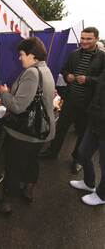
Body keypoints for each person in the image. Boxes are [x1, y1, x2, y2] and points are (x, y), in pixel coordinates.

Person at [0, 37, 55, 214]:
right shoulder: (45, 69)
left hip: (27, 131)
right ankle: (28, 190)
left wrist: (4, 94)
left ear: (32, 55)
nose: (19, 58)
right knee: (31, 162)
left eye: (21, 54)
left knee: (13, 165)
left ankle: (6, 203)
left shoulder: (31, 73)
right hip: (41, 131)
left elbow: (18, 107)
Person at [40, 27, 105, 174]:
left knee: (82, 133)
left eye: (88, 38)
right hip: (70, 100)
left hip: (88, 104)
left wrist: (88, 79)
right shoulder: (74, 54)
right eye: (82, 38)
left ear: (96, 39)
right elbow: (64, 69)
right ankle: (52, 152)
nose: (84, 41)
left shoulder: (102, 57)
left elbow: (103, 80)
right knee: (60, 128)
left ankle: (77, 159)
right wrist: (67, 75)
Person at [69, 69, 105, 205]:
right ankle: (89, 183)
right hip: (96, 118)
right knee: (83, 152)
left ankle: (102, 195)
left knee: (104, 163)